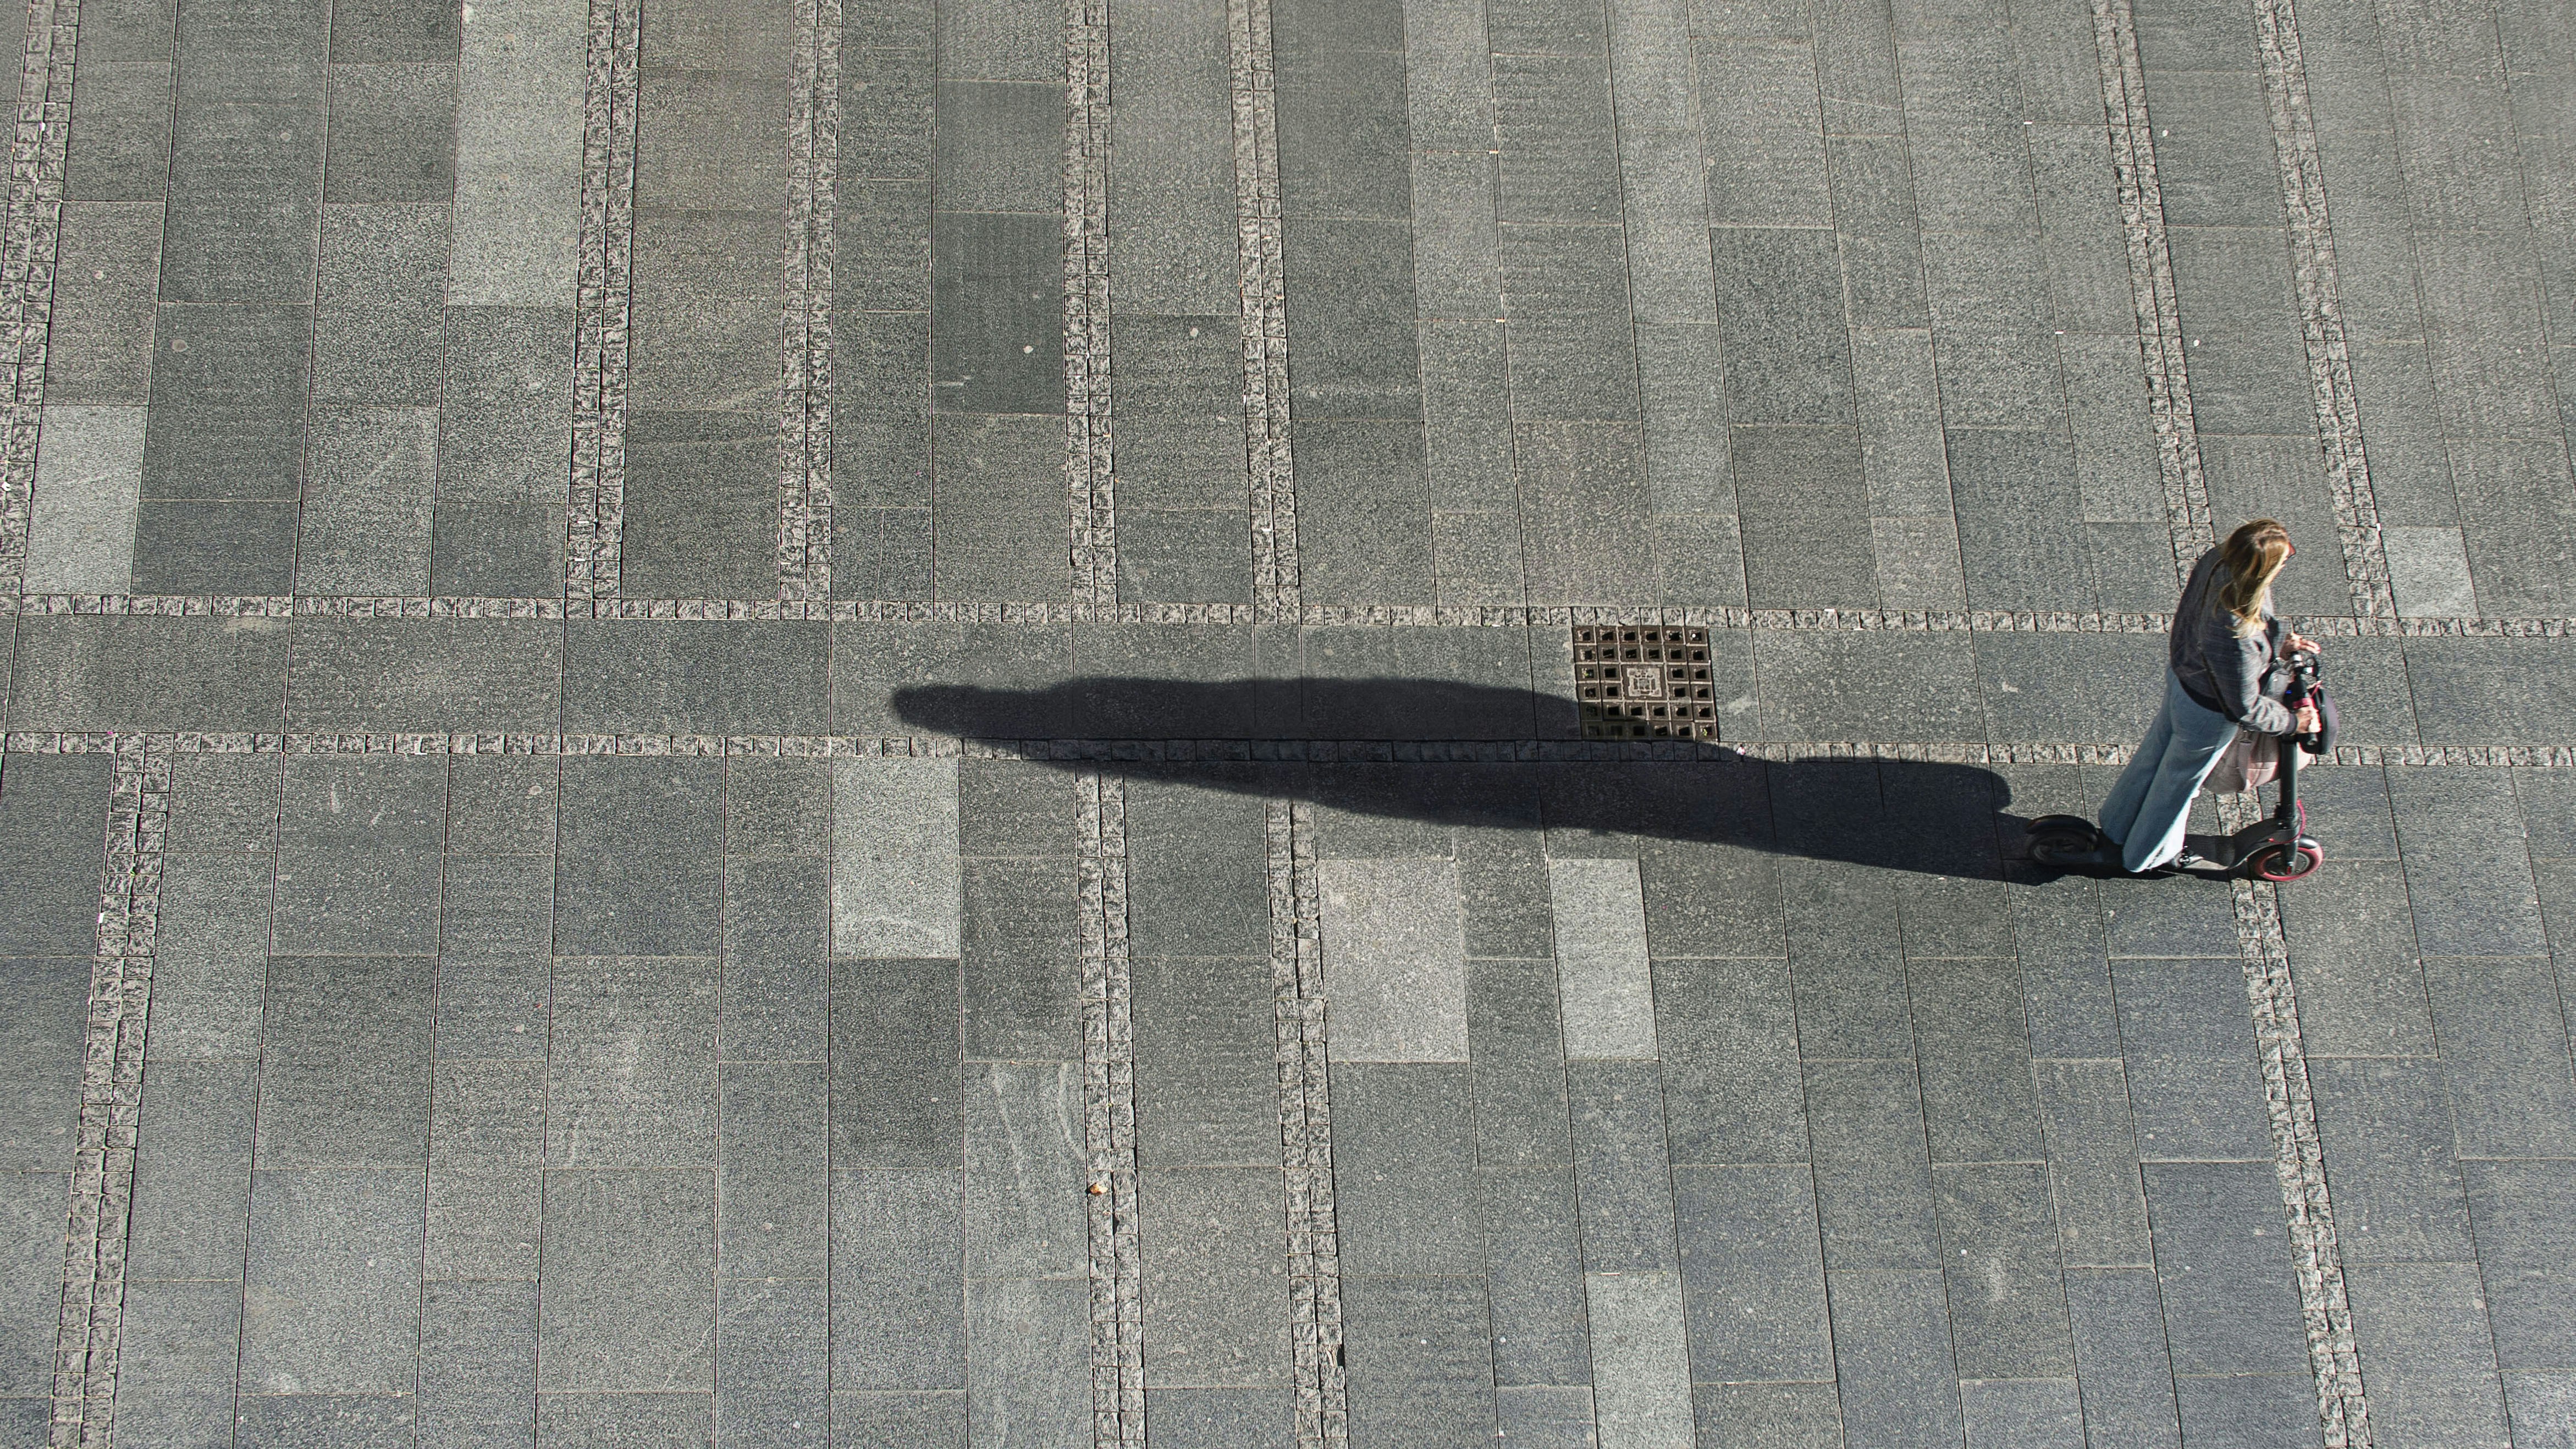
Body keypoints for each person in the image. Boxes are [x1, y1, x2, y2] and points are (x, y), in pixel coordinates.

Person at [2096, 518, 2323, 875]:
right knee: (2178, 784)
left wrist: (2277, 645)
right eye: (2283, 558)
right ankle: (2146, 856)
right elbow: (2245, 706)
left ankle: (2117, 824)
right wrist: (2294, 722)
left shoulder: (2216, 560)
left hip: (2182, 678)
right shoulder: (2236, 632)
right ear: (2260, 569)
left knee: (2154, 757)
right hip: (2207, 713)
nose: (2286, 562)